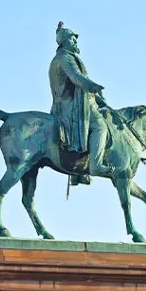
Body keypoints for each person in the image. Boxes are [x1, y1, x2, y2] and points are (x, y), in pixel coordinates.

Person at [49, 22, 112, 184]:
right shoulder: (64, 58)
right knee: (100, 126)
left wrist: (98, 99)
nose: (75, 42)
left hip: (73, 102)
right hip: (69, 106)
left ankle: (78, 172)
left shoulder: (67, 57)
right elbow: (76, 77)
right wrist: (93, 86)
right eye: (72, 39)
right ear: (64, 42)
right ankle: (96, 165)